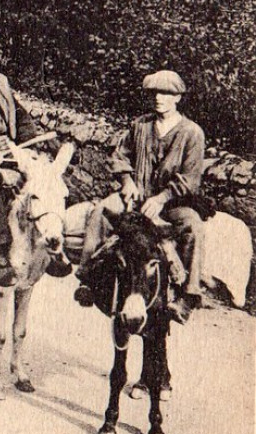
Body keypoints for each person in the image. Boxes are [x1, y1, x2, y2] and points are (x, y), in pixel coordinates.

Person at [74, 70, 206, 323]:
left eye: (166, 93)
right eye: (154, 93)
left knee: (193, 226)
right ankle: (87, 277)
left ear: (177, 97)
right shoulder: (140, 125)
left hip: (172, 203)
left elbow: (191, 179)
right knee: (101, 210)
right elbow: (120, 156)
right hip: (136, 197)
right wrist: (127, 181)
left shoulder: (192, 133)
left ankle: (187, 295)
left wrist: (162, 198)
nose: (159, 98)